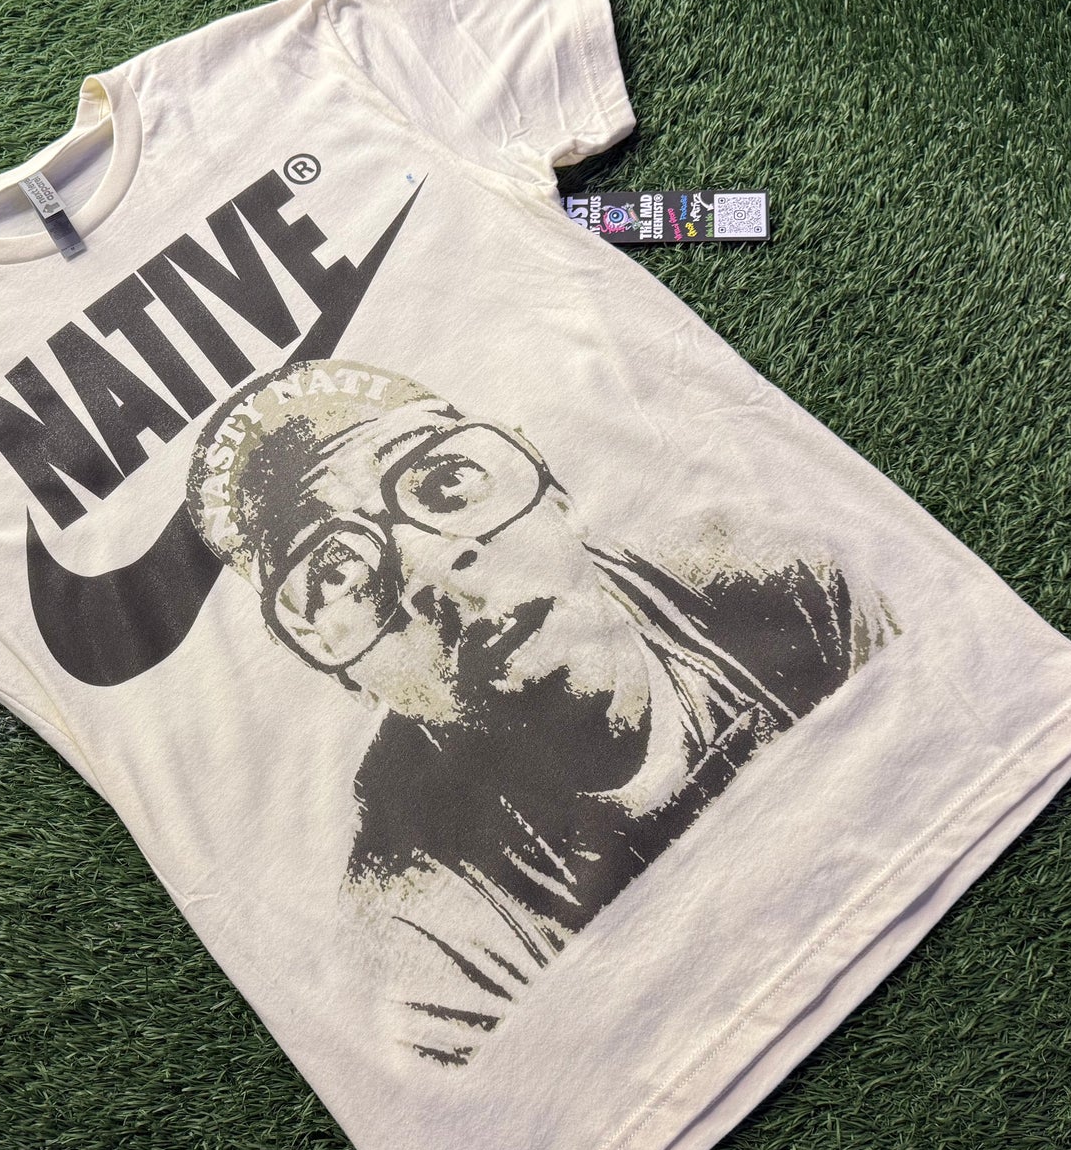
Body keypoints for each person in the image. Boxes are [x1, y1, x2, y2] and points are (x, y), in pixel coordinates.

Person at [187, 359, 894, 1068]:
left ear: (546, 482)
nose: (434, 571)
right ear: (333, 665)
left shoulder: (778, 578)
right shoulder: (419, 941)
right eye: (337, 574)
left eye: (447, 483)